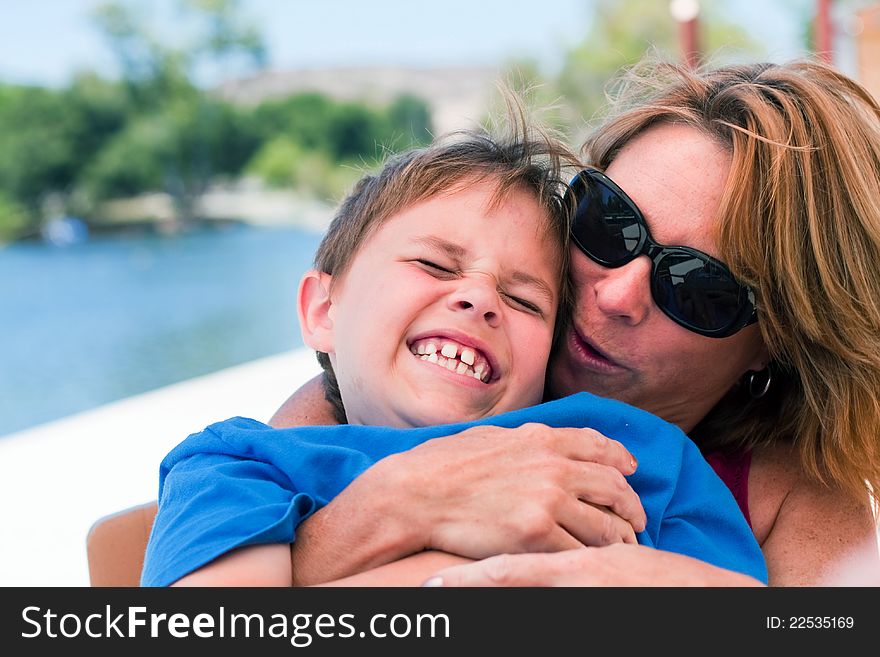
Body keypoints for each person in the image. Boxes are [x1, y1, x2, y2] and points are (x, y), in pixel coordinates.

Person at [263, 57, 880, 587]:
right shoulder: (384, 388)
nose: (617, 294)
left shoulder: (794, 492)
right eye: (609, 222)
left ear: (775, 344)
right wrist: (397, 505)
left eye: (698, 285)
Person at [140, 107, 767, 587]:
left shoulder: (637, 453)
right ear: (323, 310)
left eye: (525, 301)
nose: (480, 299)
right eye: (434, 264)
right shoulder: (241, 468)